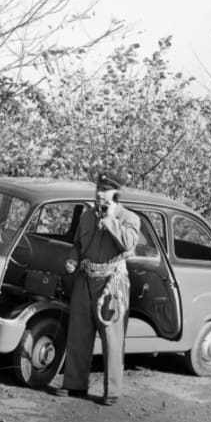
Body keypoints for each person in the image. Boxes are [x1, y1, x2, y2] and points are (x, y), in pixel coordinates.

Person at [56, 172, 141, 406]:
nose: (99, 194)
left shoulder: (129, 218)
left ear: (116, 194)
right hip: (85, 278)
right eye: (98, 189)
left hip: (113, 282)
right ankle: (74, 384)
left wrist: (112, 219)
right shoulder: (86, 217)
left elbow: (129, 244)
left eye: (105, 190)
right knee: (79, 333)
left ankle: (111, 391)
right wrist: (72, 259)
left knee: (112, 338)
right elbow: (77, 244)